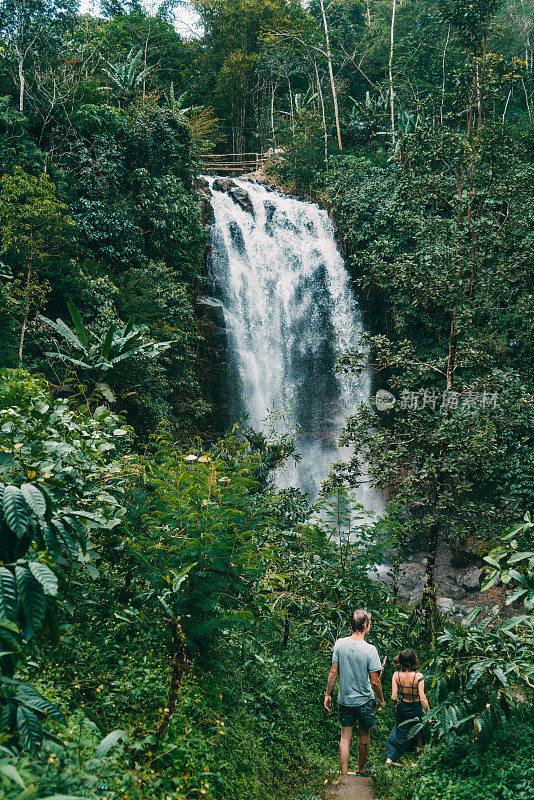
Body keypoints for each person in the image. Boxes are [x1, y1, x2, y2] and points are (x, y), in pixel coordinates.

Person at [324, 609, 385, 777]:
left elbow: (333, 672)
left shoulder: (340, 644)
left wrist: (328, 695)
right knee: (364, 734)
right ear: (365, 625)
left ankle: (343, 774)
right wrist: (381, 699)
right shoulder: (370, 650)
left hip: (344, 699)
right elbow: (375, 681)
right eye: (369, 623)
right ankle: (361, 769)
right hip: (365, 700)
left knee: (345, 736)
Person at [385, 649, 429, 765]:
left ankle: (390, 758)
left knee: (399, 731)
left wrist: (396, 704)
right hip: (415, 707)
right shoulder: (418, 676)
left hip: (402, 705)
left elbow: (394, 696)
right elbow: (423, 698)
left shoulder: (396, 675)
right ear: (414, 660)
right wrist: (429, 714)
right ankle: (420, 760)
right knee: (418, 732)